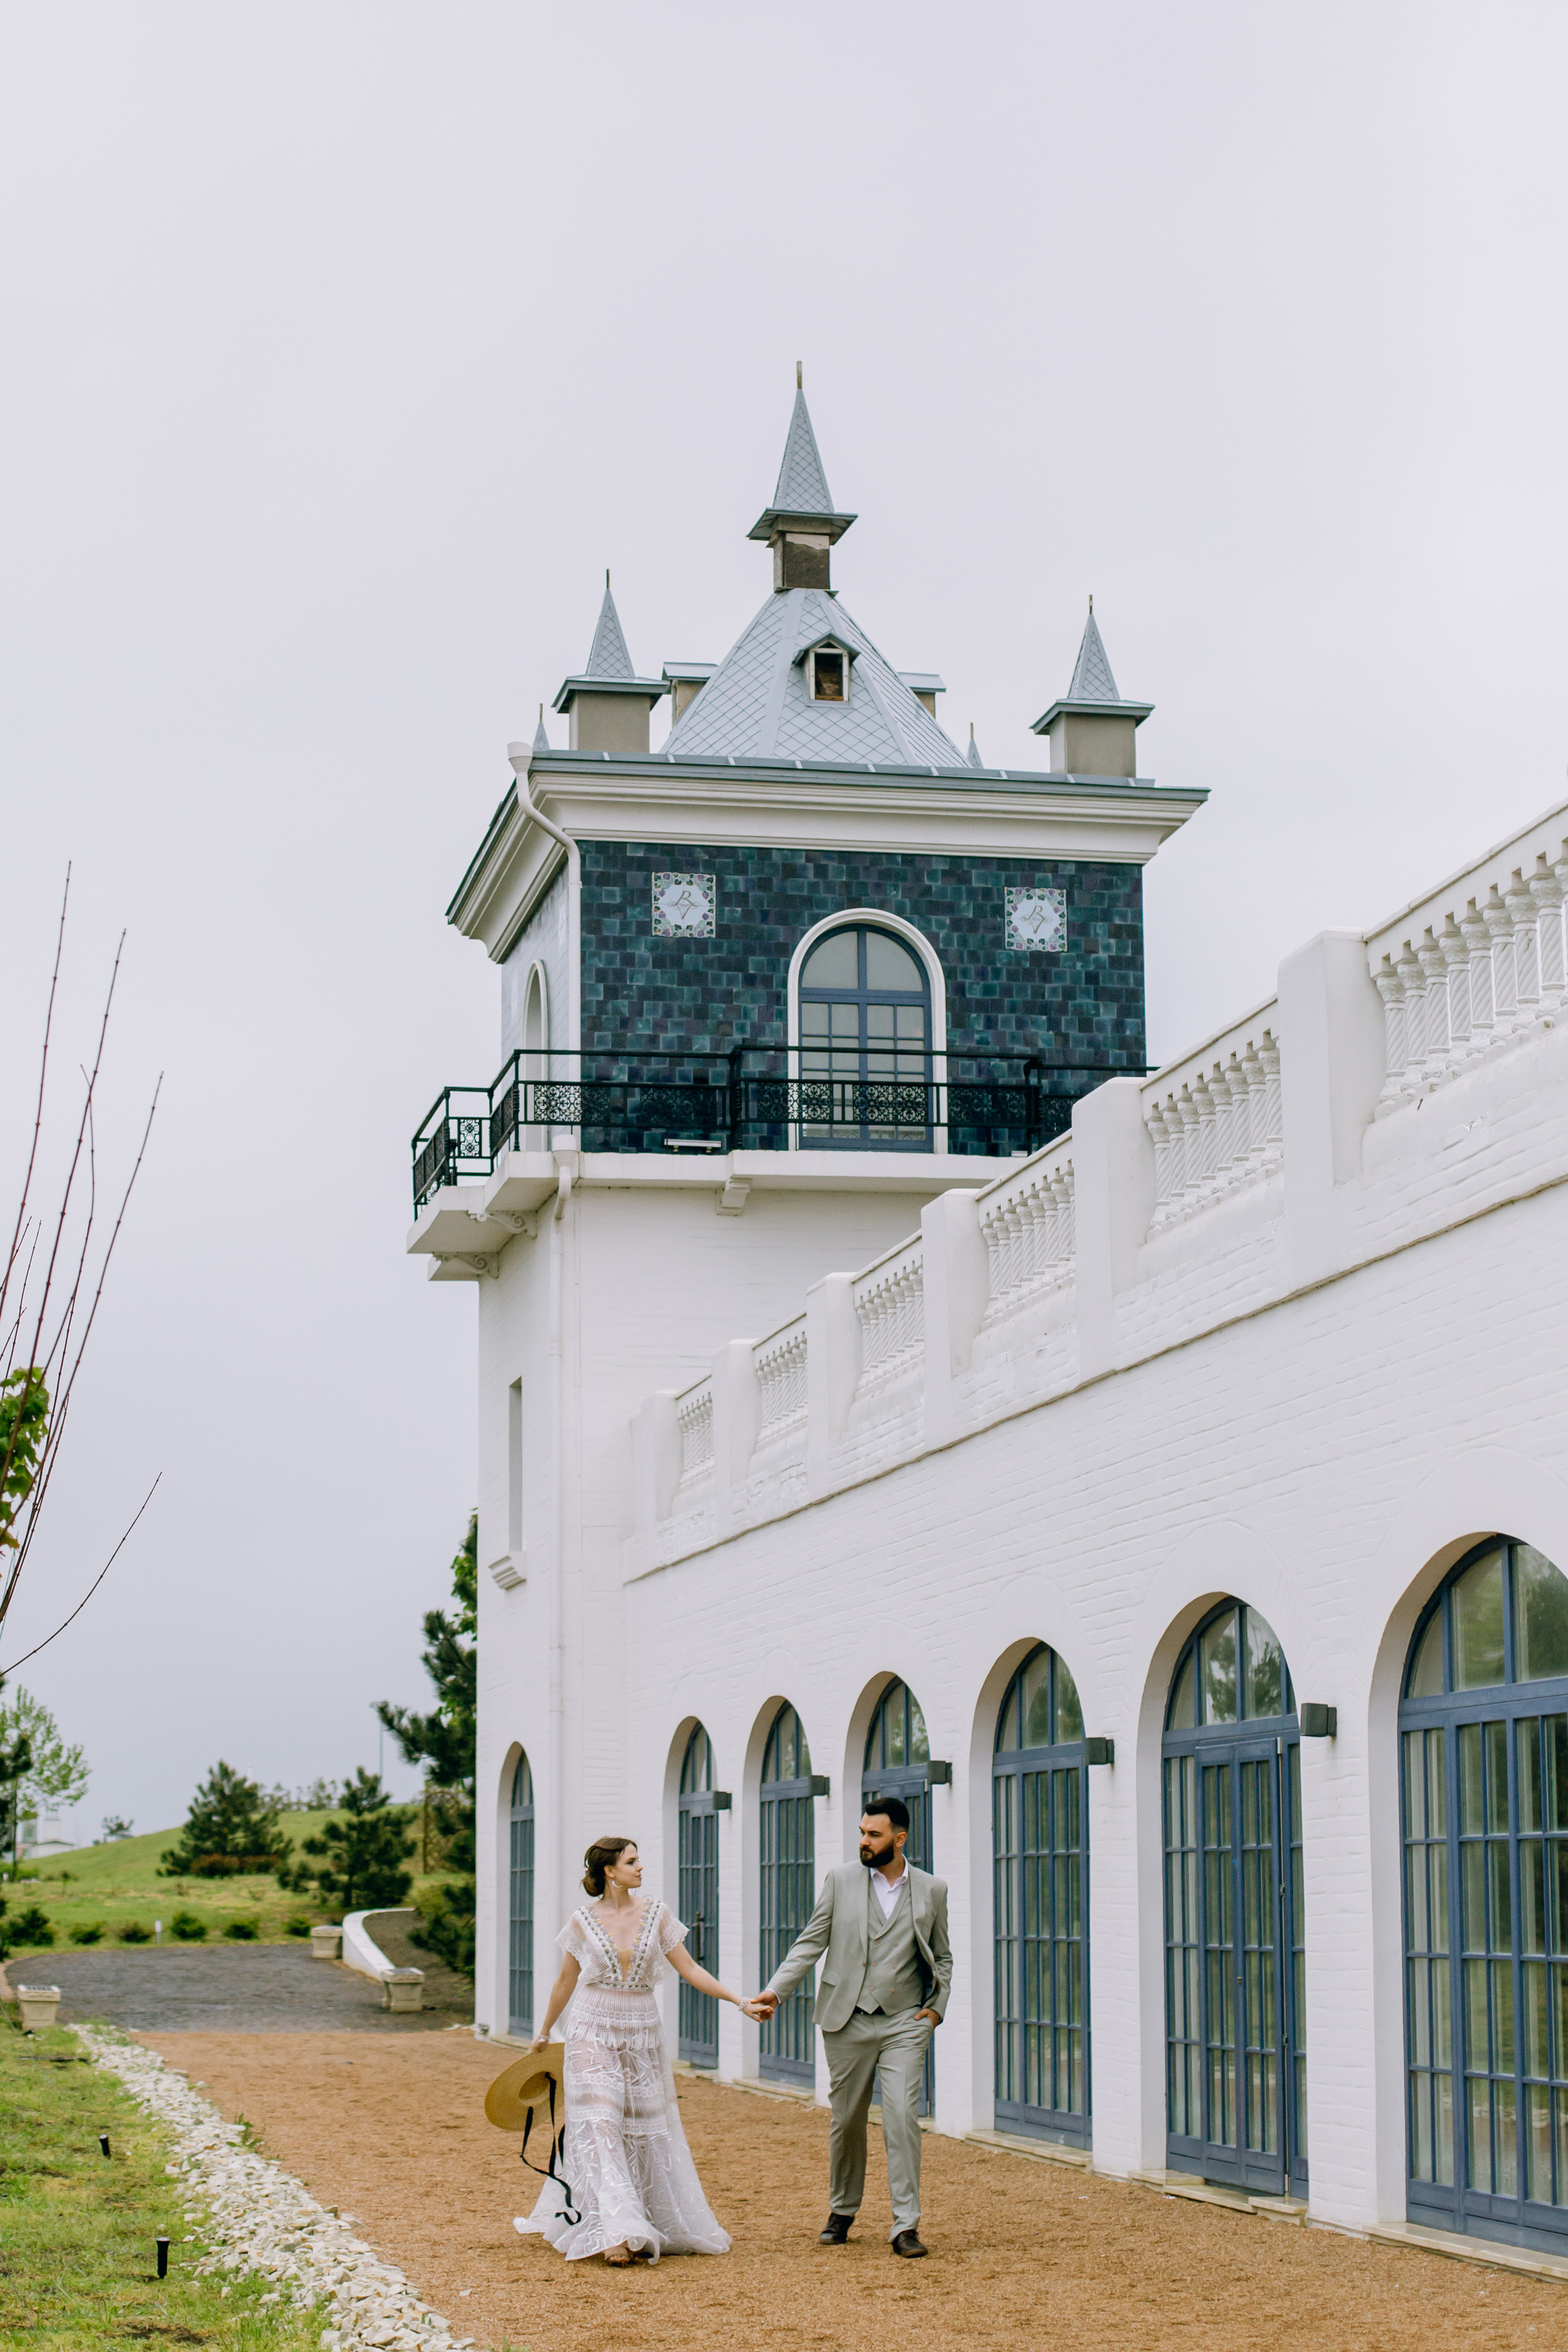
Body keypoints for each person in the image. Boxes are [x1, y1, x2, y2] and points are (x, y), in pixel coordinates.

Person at [515, 1834, 741, 2266]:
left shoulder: (657, 1914)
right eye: (632, 1862)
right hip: (590, 2027)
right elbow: (566, 1981)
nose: (640, 1868)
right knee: (600, 2125)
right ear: (610, 1871)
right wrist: (544, 2031)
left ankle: (640, 2218)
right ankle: (614, 2231)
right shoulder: (582, 1920)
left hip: (641, 2031)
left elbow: (691, 1969)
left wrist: (739, 2001)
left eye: (638, 1861)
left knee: (639, 2131)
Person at [747, 1798, 951, 2259]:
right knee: (847, 2120)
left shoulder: (932, 1889)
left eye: (874, 1834)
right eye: (862, 1832)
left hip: (904, 2020)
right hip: (847, 2019)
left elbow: (942, 1955)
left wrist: (936, 2009)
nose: (864, 1841)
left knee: (902, 2116)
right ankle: (842, 2210)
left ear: (899, 1839)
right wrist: (776, 1991)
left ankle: (905, 2225)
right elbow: (811, 1941)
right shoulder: (840, 1880)